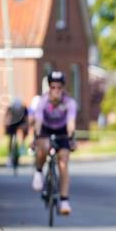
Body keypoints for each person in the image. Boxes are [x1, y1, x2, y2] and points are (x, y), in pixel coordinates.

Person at [31, 71, 78, 214]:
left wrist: (71, 138)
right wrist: (36, 137)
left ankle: (64, 201)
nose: (56, 90)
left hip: (62, 131)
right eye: (53, 87)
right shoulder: (43, 101)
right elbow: (38, 121)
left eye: (59, 87)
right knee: (43, 147)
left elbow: (71, 123)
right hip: (46, 129)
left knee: (63, 163)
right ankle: (38, 172)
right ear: (49, 88)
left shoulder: (69, 102)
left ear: (63, 88)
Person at [3, 98, 30, 165]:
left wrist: (26, 126)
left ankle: (22, 145)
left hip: (21, 122)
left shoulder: (24, 109)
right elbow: (6, 118)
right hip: (13, 123)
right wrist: (7, 124)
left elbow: (26, 120)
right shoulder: (10, 108)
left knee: (25, 129)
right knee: (10, 137)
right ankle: (10, 153)